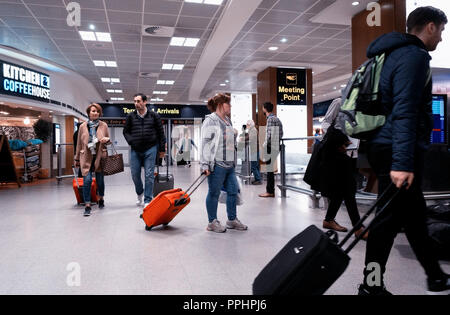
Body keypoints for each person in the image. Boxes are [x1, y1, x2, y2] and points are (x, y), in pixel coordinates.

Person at [358, 6, 449, 295]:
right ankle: (371, 286)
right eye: (442, 31)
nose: (442, 39)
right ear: (430, 27)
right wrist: (401, 162)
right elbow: (406, 110)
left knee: (412, 217)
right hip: (396, 150)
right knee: (387, 221)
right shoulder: (415, 57)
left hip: (383, 145)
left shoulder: (387, 55)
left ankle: (435, 276)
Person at [201, 93, 248, 233]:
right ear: (221, 105)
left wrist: (240, 141)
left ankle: (232, 220)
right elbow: (205, 142)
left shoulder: (228, 120)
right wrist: (205, 164)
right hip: (217, 164)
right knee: (214, 193)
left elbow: (230, 143)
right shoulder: (211, 120)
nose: (231, 107)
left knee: (233, 191)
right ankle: (212, 222)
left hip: (230, 164)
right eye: (229, 104)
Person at [319, 127, 367, 239]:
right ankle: (358, 227)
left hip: (338, 151)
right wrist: (343, 140)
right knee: (348, 192)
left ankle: (329, 220)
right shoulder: (338, 111)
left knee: (339, 193)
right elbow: (329, 126)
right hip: (334, 152)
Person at [123, 93, 166, 208]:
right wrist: (131, 141)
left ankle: (148, 199)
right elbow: (125, 132)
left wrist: (162, 149)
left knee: (149, 174)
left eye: (138, 101)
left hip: (151, 148)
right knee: (135, 174)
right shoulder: (130, 116)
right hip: (135, 150)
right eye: (135, 101)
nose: (136, 104)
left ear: (145, 102)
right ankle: (140, 192)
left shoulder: (154, 116)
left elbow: (161, 134)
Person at [74, 103, 110, 217]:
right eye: (93, 111)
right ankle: (87, 205)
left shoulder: (103, 125)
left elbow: (108, 141)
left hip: (100, 156)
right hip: (86, 156)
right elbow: (79, 143)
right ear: (88, 113)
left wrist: (106, 139)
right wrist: (76, 159)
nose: (95, 113)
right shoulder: (82, 126)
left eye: (97, 111)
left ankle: (101, 198)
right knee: (87, 181)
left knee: (100, 181)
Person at [259, 102, 283, 198]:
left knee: (269, 169)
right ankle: (270, 191)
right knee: (270, 169)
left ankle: (270, 191)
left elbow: (269, 135)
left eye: (262, 107)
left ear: (265, 109)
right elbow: (281, 133)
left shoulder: (270, 119)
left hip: (270, 146)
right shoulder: (276, 118)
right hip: (276, 145)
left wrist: (264, 145)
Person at [246, 120, 262, 185]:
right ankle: (258, 179)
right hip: (256, 150)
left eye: (247, 124)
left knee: (253, 166)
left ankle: (258, 179)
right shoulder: (253, 129)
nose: (246, 126)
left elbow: (250, 137)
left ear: (250, 125)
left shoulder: (253, 130)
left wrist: (243, 138)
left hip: (254, 150)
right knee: (256, 166)